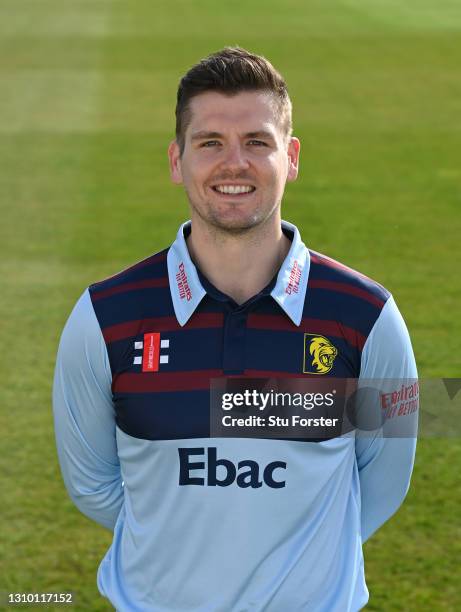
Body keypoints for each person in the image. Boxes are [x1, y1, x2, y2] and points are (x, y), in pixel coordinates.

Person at [53, 47, 418, 611]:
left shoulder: (367, 317)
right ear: (177, 160)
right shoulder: (105, 317)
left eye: (257, 142)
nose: (234, 164)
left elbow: (383, 486)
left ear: (290, 157)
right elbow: (92, 486)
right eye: (210, 144)